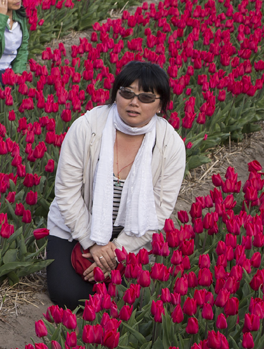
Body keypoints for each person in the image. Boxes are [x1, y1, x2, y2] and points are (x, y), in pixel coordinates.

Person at [44, 61, 186, 310]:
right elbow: (67, 193)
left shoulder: (170, 145)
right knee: (68, 295)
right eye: (127, 93)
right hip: (79, 225)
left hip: (131, 234)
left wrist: (116, 251)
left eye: (145, 97)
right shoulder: (87, 128)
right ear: (115, 94)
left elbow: (159, 211)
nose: (134, 102)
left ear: (161, 104)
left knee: (136, 298)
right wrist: (94, 244)